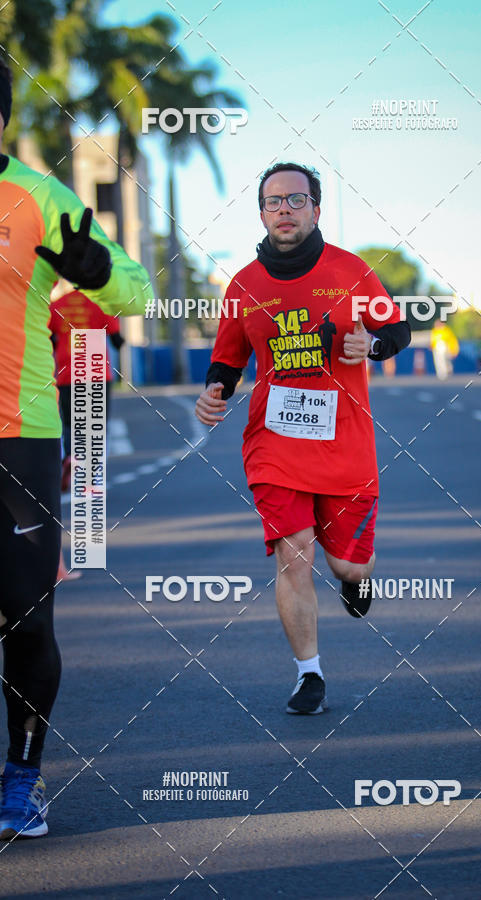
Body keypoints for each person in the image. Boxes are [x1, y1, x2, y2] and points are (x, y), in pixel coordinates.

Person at [195, 162, 411, 715]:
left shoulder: (350, 271)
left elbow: (396, 329)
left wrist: (375, 348)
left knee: (347, 566)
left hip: (345, 445)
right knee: (294, 555)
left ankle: (356, 580)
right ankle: (308, 674)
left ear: (317, 207)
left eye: (295, 200)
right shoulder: (243, 285)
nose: (284, 210)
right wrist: (215, 392)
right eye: (273, 202)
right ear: (262, 212)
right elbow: (227, 356)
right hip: (275, 442)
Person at [0, 58, 152, 840]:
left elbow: (135, 290)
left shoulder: (36, 197)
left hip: (19, 436)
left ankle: (21, 781)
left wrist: (97, 269)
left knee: (24, 622)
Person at [49, 279, 125, 492]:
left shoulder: (57, 305)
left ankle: (71, 456)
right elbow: (117, 340)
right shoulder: (101, 303)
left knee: (70, 424)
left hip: (67, 373)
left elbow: (49, 338)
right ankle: (91, 478)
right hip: (96, 372)